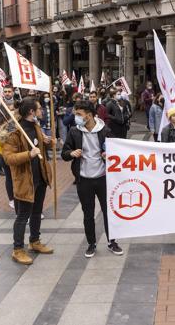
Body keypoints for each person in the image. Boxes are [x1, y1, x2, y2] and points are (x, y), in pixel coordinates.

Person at [61, 100, 124, 258]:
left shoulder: (105, 130)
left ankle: (112, 241)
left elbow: (116, 152)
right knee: (87, 213)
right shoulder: (74, 132)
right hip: (84, 180)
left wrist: (107, 155)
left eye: (79, 114)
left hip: (103, 179)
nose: (76, 117)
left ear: (88, 115)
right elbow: (64, 153)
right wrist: (71, 153)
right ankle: (91, 243)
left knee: (108, 212)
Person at [3, 97, 54, 265]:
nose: (42, 111)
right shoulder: (15, 131)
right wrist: (28, 154)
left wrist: (46, 142)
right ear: (31, 111)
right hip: (25, 181)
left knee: (37, 212)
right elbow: (9, 157)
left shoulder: (36, 126)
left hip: (39, 178)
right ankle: (18, 249)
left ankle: (35, 241)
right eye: (39, 109)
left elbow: (37, 144)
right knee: (22, 216)